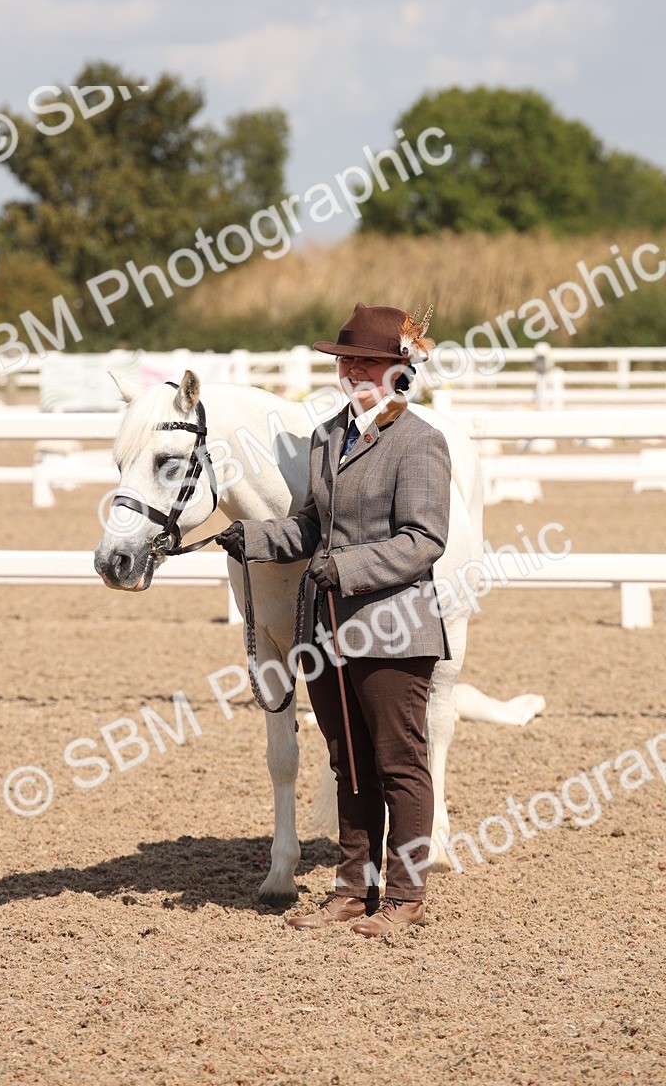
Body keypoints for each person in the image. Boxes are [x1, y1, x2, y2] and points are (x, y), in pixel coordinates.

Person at [216, 303, 452, 937]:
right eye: (346, 360)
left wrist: (345, 570)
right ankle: (354, 888)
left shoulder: (420, 442)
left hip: (395, 626)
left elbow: (424, 540)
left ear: (400, 367)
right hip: (325, 629)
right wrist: (254, 539)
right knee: (347, 761)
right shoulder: (327, 437)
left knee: (400, 763)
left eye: (367, 360)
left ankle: (405, 897)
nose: (352, 370)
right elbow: (313, 526)